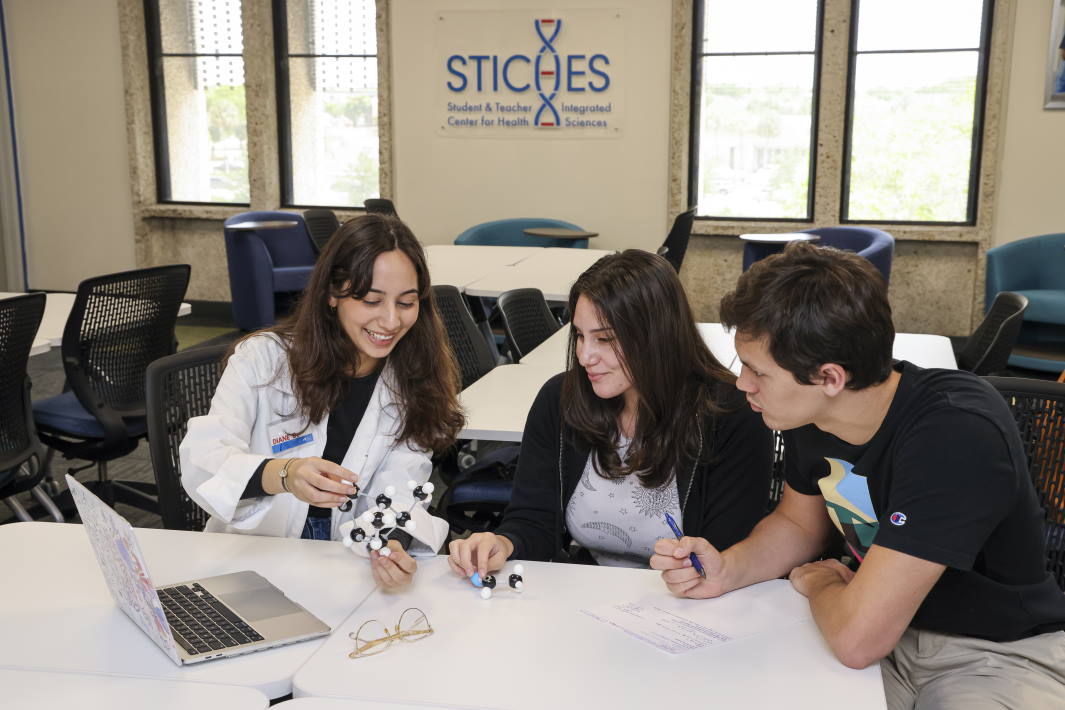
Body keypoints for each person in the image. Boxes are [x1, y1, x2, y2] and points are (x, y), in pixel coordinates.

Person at [652, 241, 1065, 709]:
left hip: (989, 653)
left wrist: (822, 583)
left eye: (757, 372)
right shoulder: (809, 416)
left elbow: (858, 640)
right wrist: (728, 570)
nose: (742, 384)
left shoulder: (956, 432)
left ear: (830, 378)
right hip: (863, 623)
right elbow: (798, 524)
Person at [448, 249, 772, 579]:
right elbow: (535, 521)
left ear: (657, 336)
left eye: (604, 339)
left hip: (693, 605)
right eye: (578, 335)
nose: (585, 355)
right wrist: (503, 542)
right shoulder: (560, 400)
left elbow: (731, 553)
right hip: (586, 595)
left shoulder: (732, 414)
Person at [181, 214, 464, 589]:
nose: (391, 321)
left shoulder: (414, 376)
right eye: (370, 300)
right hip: (253, 562)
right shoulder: (262, 360)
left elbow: (403, 482)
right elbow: (204, 461)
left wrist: (391, 543)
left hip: (346, 569)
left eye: (407, 302)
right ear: (332, 293)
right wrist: (285, 474)